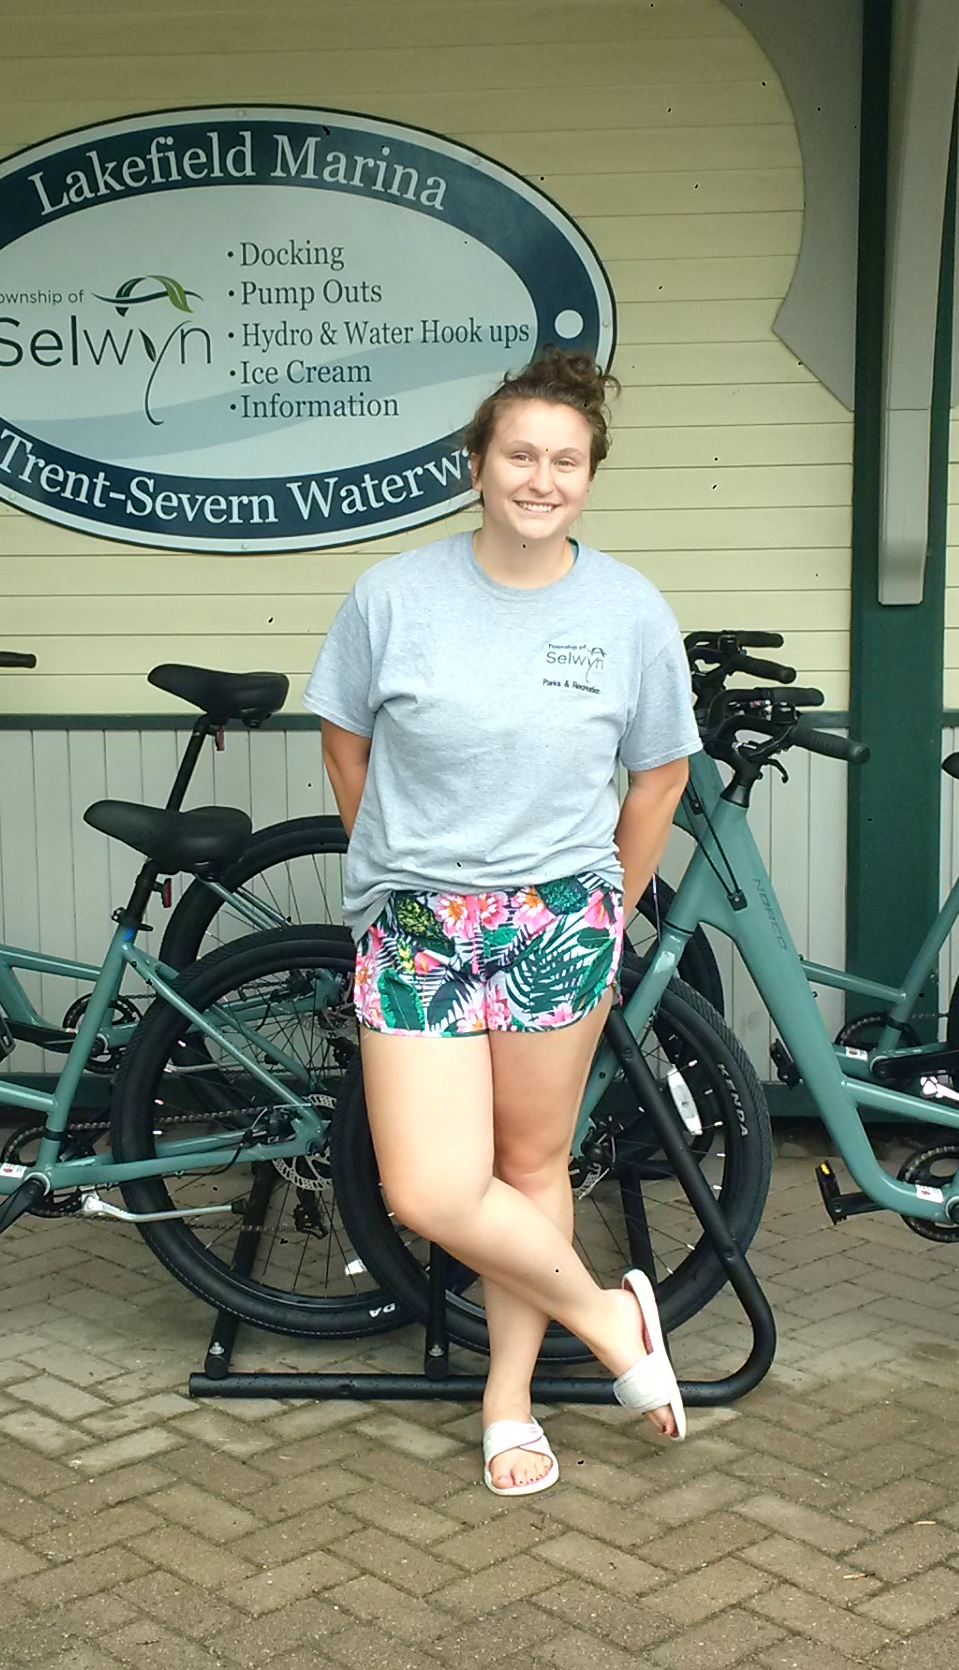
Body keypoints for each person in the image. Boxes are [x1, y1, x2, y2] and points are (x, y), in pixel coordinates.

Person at [305, 349, 701, 1495]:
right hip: (421, 920)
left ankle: (509, 1404)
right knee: (426, 1188)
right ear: (477, 465)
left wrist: (605, 913)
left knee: (530, 1166)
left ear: (589, 476)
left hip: (558, 922)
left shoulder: (627, 608)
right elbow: (344, 738)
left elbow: (658, 779)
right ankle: (615, 1320)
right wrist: (391, 858)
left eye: (565, 461)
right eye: (519, 455)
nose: (541, 478)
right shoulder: (394, 596)